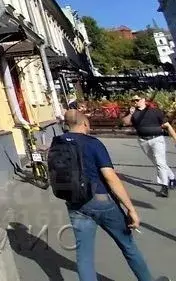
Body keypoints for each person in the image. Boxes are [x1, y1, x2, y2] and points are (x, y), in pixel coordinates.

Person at [55, 110, 169, 281]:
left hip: (75, 203)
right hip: (101, 201)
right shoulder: (93, 143)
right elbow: (110, 177)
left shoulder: (57, 142)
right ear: (84, 123)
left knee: (84, 256)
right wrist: (130, 209)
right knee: (127, 245)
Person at [122, 95, 176, 198]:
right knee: (157, 163)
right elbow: (125, 123)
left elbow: (167, 125)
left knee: (160, 162)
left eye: (137, 100)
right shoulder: (132, 112)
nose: (134, 102)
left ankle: (164, 187)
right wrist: (131, 113)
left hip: (157, 139)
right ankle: (172, 177)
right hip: (143, 141)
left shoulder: (155, 111)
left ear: (143, 100)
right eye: (133, 100)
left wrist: (175, 138)